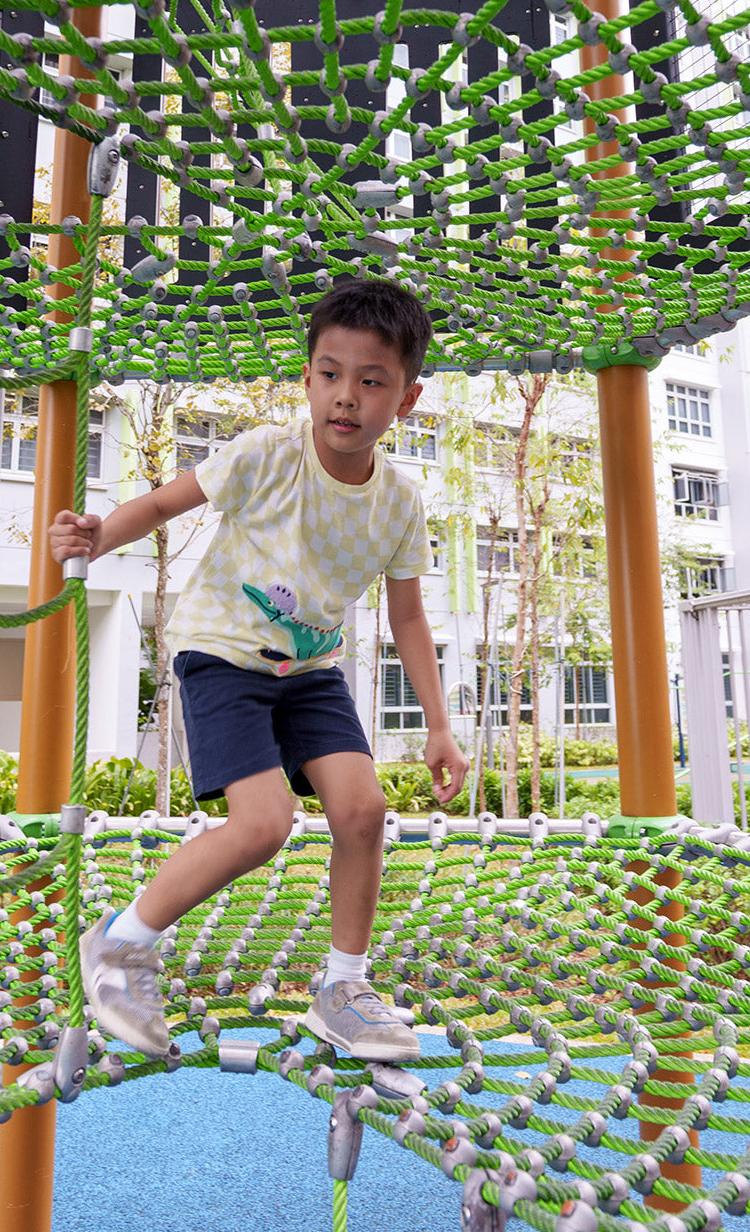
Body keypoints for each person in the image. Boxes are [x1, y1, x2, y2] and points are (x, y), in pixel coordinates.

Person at [49, 276, 468, 1062]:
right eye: (331, 374)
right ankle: (121, 941)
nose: (347, 397)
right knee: (265, 822)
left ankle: (343, 985)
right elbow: (166, 502)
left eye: (371, 381)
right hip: (222, 655)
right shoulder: (265, 455)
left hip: (309, 670)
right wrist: (98, 536)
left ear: (404, 401)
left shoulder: (401, 503)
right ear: (306, 379)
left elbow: (409, 616)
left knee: (362, 810)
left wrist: (439, 726)